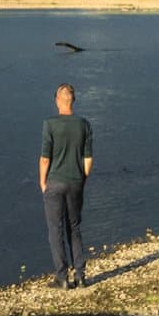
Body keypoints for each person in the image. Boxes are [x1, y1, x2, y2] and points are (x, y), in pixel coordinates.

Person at [38, 82, 93, 288]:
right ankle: (80, 275)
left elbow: (45, 158)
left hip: (55, 182)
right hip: (75, 182)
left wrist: (42, 182)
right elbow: (88, 159)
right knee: (74, 227)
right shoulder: (84, 124)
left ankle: (62, 277)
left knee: (56, 230)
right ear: (73, 101)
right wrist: (81, 180)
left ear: (57, 101)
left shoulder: (50, 124)